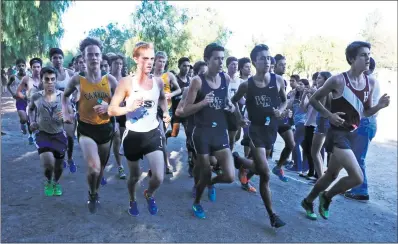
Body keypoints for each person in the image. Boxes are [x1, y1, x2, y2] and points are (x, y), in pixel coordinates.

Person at [301, 41, 390, 220]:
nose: (368, 58)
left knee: (331, 174)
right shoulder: (337, 80)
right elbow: (314, 100)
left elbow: (364, 112)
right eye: (364, 55)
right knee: (357, 177)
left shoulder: (370, 82)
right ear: (351, 58)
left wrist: (379, 106)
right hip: (337, 135)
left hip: (354, 134)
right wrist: (329, 115)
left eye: (369, 54)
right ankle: (326, 197)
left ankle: (308, 200)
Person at [108, 42, 171, 216]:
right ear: (136, 59)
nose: (149, 62)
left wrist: (165, 112)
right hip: (133, 135)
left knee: (158, 176)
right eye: (145, 59)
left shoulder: (158, 82)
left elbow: (163, 99)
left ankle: (149, 194)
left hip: (152, 133)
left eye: (152, 58)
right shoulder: (126, 82)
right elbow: (111, 109)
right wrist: (128, 108)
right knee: (134, 176)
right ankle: (132, 199)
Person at [232, 44, 287, 228]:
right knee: (265, 172)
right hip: (255, 130)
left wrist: (280, 110)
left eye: (269, 57)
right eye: (262, 58)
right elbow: (232, 103)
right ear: (255, 61)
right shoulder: (246, 85)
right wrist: (240, 119)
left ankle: (239, 160)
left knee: (258, 167)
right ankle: (272, 215)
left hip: (271, 129)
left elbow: (284, 101)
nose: (267, 61)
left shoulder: (278, 80)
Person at [62, 37, 118, 213]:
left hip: (106, 129)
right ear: (84, 58)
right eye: (90, 55)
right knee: (93, 167)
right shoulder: (77, 80)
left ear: (101, 58)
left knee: (100, 169)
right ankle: (91, 194)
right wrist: (66, 111)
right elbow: (64, 97)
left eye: (97, 55)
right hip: (86, 129)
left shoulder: (110, 81)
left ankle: (95, 192)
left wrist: (109, 107)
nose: (94, 58)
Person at [182, 43, 235, 219]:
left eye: (222, 58)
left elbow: (225, 99)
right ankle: (197, 202)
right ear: (207, 60)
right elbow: (186, 109)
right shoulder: (197, 81)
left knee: (229, 176)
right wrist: (203, 103)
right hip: (202, 132)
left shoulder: (226, 78)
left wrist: (230, 106)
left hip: (220, 131)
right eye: (217, 58)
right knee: (204, 171)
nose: (221, 62)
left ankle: (208, 184)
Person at [344, 57, 379, 201]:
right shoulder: (368, 80)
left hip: (365, 122)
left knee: (358, 158)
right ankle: (353, 186)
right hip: (366, 122)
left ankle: (361, 190)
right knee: (353, 157)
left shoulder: (369, 81)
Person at [28, 67, 67, 196]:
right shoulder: (36, 96)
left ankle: (56, 182)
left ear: (56, 80)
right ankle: (49, 181)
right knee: (48, 164)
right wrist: (32, 121)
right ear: (42, 80)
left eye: (52, 79)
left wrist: (65, 117)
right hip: (43, 134)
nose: (50, 82)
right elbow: (31, 109)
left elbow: (72, 116)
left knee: (59, 166)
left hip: (59, 135)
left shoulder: (63, 96)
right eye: (47, 79)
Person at [152, 51, 181, 174]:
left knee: (161, 137)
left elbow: (179, 90)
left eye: (164, 61)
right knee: (160, 137)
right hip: (152, 109)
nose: (162, 64)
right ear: (154, 61)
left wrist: (171, 94)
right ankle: (165, 164)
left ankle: (162, 163)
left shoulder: (168, 75)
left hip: (165, 110)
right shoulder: (149, 75)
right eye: (160, 61)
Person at [50, 48, 77, 172]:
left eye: (60, 57)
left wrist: (77, 96)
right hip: (53, 109)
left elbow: (79, 86)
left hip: (69, 108)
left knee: (70, 137)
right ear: (51, 60)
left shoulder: (70, 73)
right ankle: (60, 158)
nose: (58, 60)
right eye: (55, 58)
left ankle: (70, 158)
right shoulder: (48, 75)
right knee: (57, 136)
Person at [310, 71, 332, 181]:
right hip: (324, 123)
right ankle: (321, 177)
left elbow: (321, 107)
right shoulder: (330, 91)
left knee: (315, 151)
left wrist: (314, 95)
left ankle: (320, 178)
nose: (316, 80)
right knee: (320, 151)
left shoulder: (324, 91)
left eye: (319, 78)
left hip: (323, 123)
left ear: (325, 80)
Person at [108, 54, 127, 179]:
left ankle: (118, 163)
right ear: (111, 65)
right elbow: (100, 98)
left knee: (120, 140)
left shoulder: (126, 79)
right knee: (116, 138)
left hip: (124, 113)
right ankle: (120, 166)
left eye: (121, 64)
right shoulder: (106, 79)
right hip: (110, 113)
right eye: (116, 64)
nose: (119, 66)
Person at [7, 59, 34, 143]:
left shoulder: (29, 76)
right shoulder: (13, 77)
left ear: (25, 66)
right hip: (19, 101)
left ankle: (31, 136)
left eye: (23, 65)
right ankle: (22, 124)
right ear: (16, 67)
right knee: (24, 119)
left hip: (29, 101)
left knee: (30, 119)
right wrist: (13, 94)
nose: (21, 67)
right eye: (19, 66)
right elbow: (8, 85)